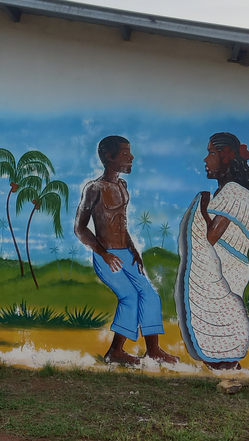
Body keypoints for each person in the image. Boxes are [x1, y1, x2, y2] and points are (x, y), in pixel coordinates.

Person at [75, 135, 177, 365]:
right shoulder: (94, 188)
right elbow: (80, 228)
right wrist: (104, 254)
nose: (131, 157)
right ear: (109, 157)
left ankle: (153, 350)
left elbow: (121, 224)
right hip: (107, 255)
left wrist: (133, 250)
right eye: (125, 153)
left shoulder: (122, 185)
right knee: (129, 297)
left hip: (126, 254)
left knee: (150, 295)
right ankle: (115, 352)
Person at [176, 132, 249, 369]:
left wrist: (202, 206)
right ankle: (224, 362)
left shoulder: (233, 193)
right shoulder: (230, 192)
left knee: (223, 316)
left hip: (228, 268)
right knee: (220, 318)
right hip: (228, 265)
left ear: (226, 158)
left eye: (211, 153)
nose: (206, 159)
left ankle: (226, 362)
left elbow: (210, 237)